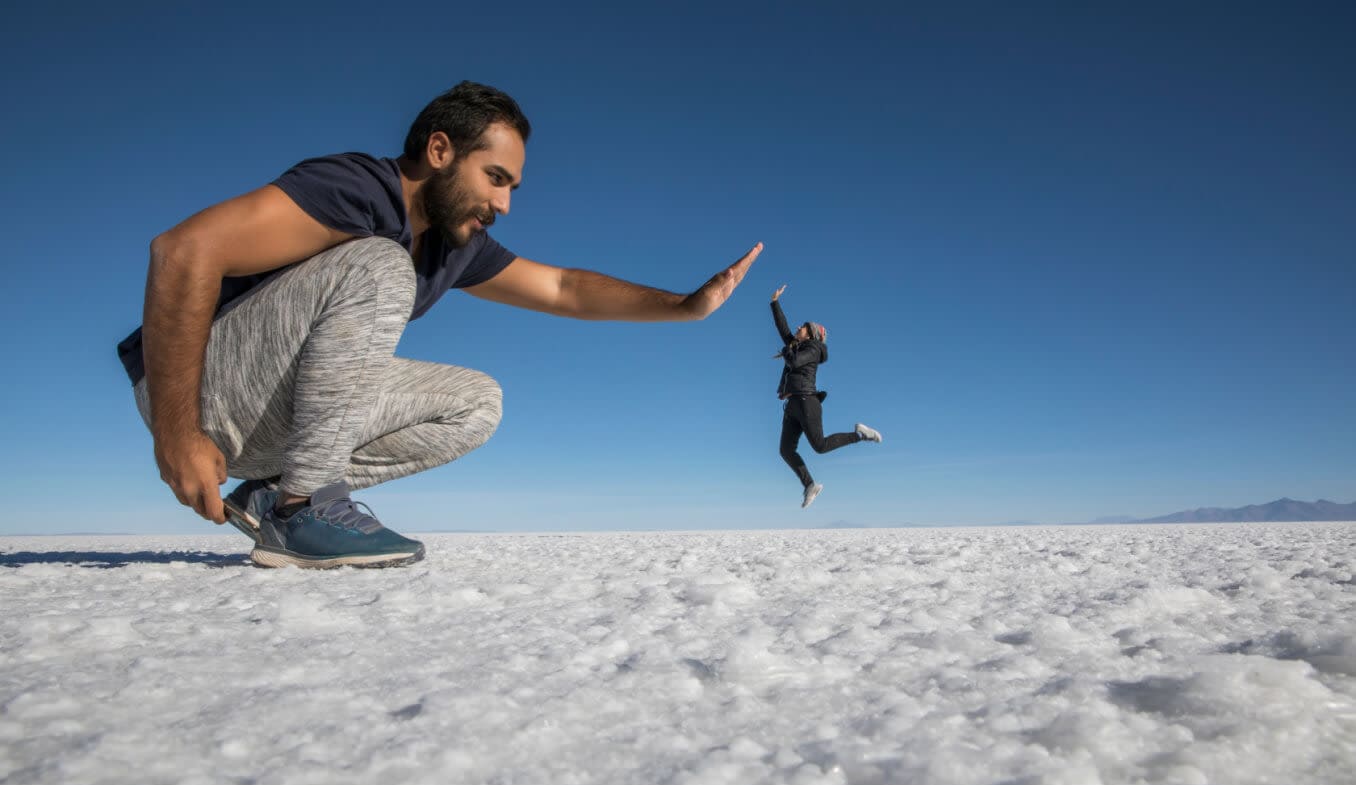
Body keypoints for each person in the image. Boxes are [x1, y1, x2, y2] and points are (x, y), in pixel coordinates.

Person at [117, 81, 762, 569]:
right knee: (381, 267)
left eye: (513, 187)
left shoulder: (455, 246)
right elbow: (182, 251)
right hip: (197, 393)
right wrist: (177, 432)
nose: (504, 204)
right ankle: (303, 507)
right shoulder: (359, 189)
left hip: (271, 418)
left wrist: (684, 306)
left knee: (478, 403)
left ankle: (275, 494)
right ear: (439, 150)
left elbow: (562, 288)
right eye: (495, 178)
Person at [770, 285, 881, 508]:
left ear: (811, 334)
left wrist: (786, 352)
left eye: (803, 327)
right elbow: (784, 332)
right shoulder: (798, 346)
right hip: (792, 404)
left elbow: (793, 361)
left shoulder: (813, 349)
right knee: (785, 450)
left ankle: (860, 435)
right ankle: (809, 485)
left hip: (806, 402)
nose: (798, 327)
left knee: (820, 446)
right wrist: (774, 303)